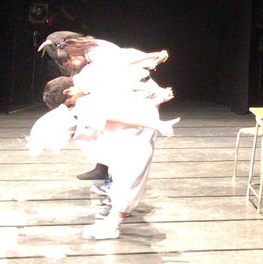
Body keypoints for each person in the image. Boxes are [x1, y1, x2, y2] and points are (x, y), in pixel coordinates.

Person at [30, 69, 177, 239]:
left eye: (69, 104)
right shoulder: (88, 87)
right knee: (125, 178)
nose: (71, 106)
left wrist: (156, 123)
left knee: (128, 179)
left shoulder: (85, 101)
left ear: (68, 92)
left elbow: (115, 115)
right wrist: (157, 97)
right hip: (137, 125)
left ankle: (113, 223)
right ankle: (114, 218)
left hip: (136, 133)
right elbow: (125, 97)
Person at [36, 31, 170, 181]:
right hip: (127, 90)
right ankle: (105, 170)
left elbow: (124, 67)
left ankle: (119, 179)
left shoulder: (99, 53)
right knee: (103, 128)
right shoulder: (86, 59)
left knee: (124, 138)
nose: (69, 64)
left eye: (69, 60)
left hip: (138, 90)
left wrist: (152, 57)